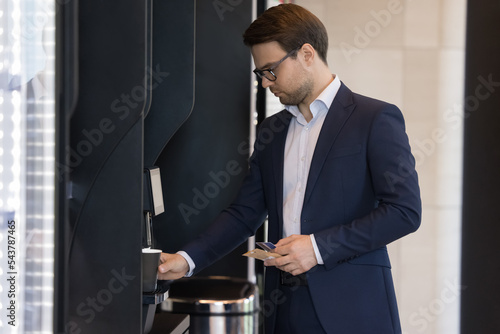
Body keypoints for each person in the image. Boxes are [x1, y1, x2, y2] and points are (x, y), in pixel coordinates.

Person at [158, 4, 421, 333]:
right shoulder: (272, 130)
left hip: (354, 308)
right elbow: (245, 214)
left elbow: (404, 211)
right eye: (260, 74)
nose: (266, 83)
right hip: (282, 308)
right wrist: (186, 259)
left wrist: (317, 248)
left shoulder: (375, 119)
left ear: (307, 54)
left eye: (271, 70)